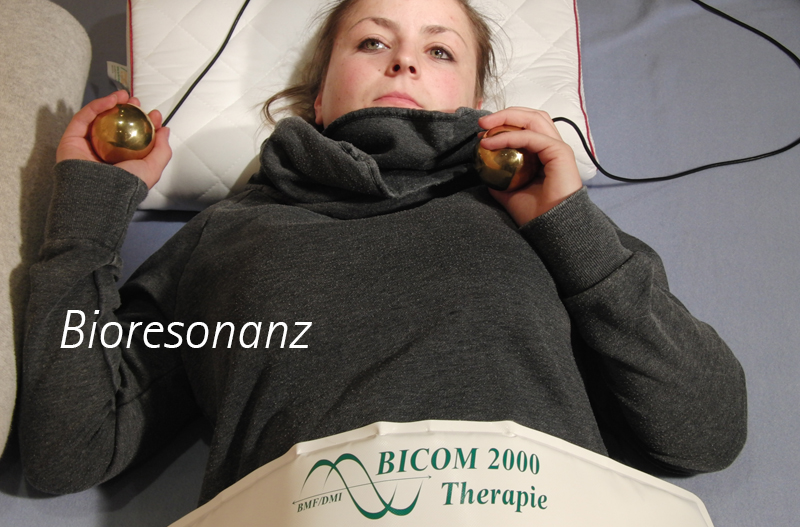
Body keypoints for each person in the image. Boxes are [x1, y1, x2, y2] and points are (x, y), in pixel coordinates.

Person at [20, 0, 746, 507]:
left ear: (476, 101)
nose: (403, 61)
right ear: (317, 100)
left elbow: (707, 430)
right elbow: (70, 447)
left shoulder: (544, 220)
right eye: (371, 42)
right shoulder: (230, 233)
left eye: (440, 50)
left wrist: (567, 223)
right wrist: (89, 212)